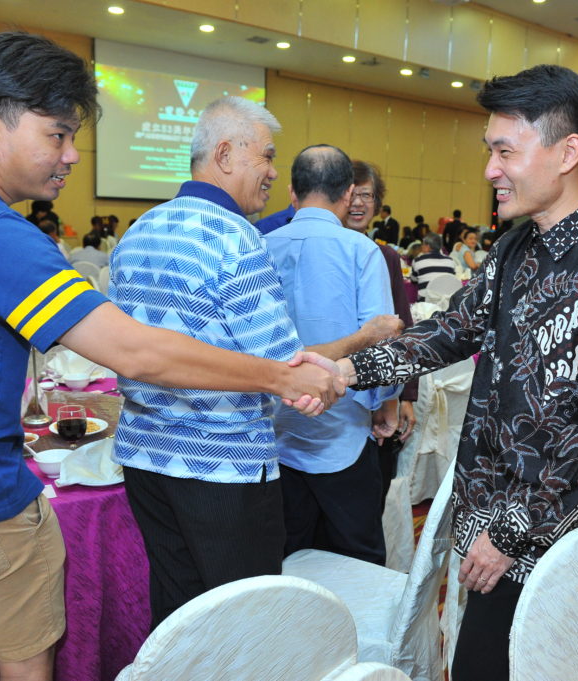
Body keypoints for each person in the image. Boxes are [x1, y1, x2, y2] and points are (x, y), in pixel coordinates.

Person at [0, 33, 342, 681]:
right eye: (57, 135)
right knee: (27, 667)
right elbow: (133, 350)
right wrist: (279, 376)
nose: (72, 155)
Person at [334, 65, 578, 680]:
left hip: (553, 536)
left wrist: (510, 533)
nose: (491, 169)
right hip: (487, 517)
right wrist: (341, 371)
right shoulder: (516, 247)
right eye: (489, 151)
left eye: (505, 151)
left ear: (566, 152)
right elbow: (448, 331)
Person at [108, 98, 394, 629]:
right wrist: (358, 347)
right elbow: (282, 364)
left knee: (179, 614)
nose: (272, 172)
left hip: (146, 459)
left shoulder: (140, 229)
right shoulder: (234, 236)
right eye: (265, 156)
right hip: (223, 467)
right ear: (224, 155)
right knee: (249, 624)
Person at [265, 145, 402, 564]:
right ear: (347, 194)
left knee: (287, 557)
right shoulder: (361, 250)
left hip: (276, 432)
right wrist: (385, 404)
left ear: (292, 193)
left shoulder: (259, 246)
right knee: (355, 559)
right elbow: (381, 343)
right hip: (344, 430)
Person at [343, 160, 419, 507]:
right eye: (353, 195)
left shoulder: (386, 256)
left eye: (368, 196)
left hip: (376, 392)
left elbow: (403, 326)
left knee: (370, 496)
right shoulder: (328, 251)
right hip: (334, 392)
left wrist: (405, 397)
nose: (359, 203)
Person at [411, 232, 456, 300]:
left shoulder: (417, 261)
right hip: (446, 300)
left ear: (428, 247)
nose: (421, 246)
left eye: (423, 244)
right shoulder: (450, 261)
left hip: (426, 300)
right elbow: (451, 278)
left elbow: (413, 280)